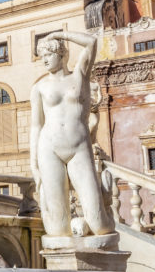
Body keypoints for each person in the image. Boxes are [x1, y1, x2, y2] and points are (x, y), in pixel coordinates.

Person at [30, 31, 114, 236]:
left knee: (100, 225)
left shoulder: (79, 75)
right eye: (42, 57)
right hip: (49, 149)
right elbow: (36, 126)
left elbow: (91, 42)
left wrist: (59, 34)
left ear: (62, 54)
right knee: (58, 230)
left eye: (49, 54)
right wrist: (34, 163)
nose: (45, 60)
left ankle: (104, 197)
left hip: (78, 148)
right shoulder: (39, 88)